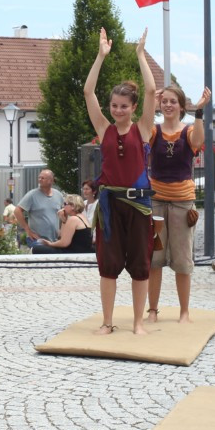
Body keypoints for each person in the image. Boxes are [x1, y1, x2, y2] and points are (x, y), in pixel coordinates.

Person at [84, 27, 157, 336]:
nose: (117, 110)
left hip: (139, 206)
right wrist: (100, 57)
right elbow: (88, 92)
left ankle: (138, 322)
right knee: (108, 265)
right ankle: (107, 321)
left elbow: (152, 91)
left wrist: (140, 54)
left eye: (123, 106)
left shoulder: (142, 129)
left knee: (141, 265)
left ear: (133, 108)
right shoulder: (105, 129)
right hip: (111, 204)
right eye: (114, 105)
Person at [148, 84, 211, 324]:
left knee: (183, 259)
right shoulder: (154, 131)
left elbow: (198, 139)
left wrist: (199, 111)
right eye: (164, 101)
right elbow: (142, 134)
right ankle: (152, 310)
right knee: (154, 259)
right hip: (156, 200)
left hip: (183, 201)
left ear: (181, 106)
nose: (168, 104)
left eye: (172, 101)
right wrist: (150, 106)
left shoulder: (188, 131)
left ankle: (184, 312)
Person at [14, 169, 64, 248]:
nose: (40, 180)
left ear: (51, 180)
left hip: (55, 239)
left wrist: (62, 229)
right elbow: (17, 211)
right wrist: (27, 230)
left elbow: (63, 213)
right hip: (37, 239)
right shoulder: (32, 194)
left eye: (43, 178)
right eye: (39, 177)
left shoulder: (59, 195)